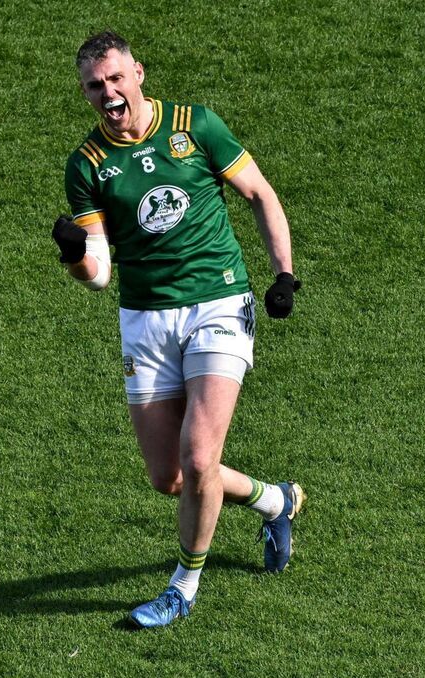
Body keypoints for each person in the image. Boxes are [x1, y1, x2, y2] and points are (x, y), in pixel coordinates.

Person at [51, 31, 305, 629]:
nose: (109, 93)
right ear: (85, 92)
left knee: (199, 456)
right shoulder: (88, 165)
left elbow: (259, 193)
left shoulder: (196, 126)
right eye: (95, 85)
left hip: (218, 302)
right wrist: (74, 255)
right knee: (171, 477)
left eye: (116, 78)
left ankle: (182, 589)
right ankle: (275, 500)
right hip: (144, 319)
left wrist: (284, 274)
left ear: (138, 73)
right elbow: (99, 274)